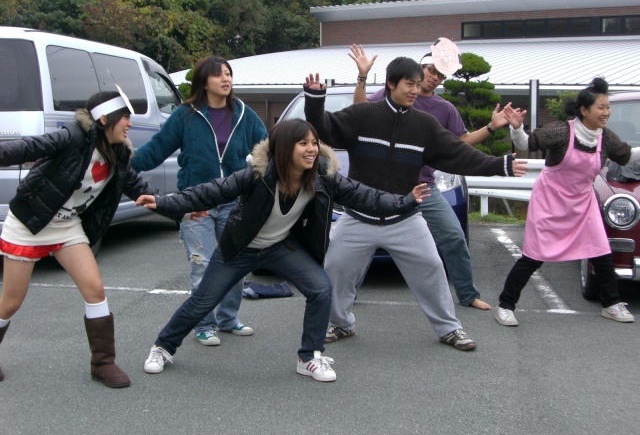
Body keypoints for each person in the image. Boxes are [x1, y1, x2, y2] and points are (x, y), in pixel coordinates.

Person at [135, 119, 429, 382]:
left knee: (320, 288)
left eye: (314, 143)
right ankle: (163, 347)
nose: (311, 149)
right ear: (286, 147)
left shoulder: (323, 175)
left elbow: (363, 196)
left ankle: (309, 357)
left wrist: (404, 201)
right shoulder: (257, 174)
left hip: (279, 246)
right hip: (240, 248)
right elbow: (211, 191)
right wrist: (163, 202)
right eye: (303, 143)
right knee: (203, 301)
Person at [303, 57, 527, 350]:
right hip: (358, 216)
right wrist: (314, 99)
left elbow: (457, 153)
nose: (415, 90)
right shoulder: (363, 114)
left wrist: (500, 165)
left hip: (405, 217)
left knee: (432, 267)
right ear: (391, 83)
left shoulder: (425, 124)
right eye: (409, 84)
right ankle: (340, 323)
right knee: (335, 267)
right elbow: (323, 129)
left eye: (418, 85)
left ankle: (450, 329)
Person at [0, 89, 160, 387]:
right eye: (125, 117)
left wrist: (180, 208)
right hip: (30, 223)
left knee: (95, 289)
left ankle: (103, 363)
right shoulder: (73, 137)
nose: (129, 124)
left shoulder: (119, 152)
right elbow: (29, 147)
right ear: (104, 118)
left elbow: (139, 188)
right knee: (10, 302)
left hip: (67, 225)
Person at [350, 41, 521, 310]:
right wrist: (362, 76)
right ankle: (347, 294)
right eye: (431, 70)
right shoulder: (393, 95)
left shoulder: (445, 109)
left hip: (424, 187)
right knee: (364, 241)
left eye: (440, 75)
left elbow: (460, 143)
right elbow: (359, 112)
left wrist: (491, 126)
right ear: (419, 68)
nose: (434, 77)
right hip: (385, 185)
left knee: (453, 236)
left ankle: (468, 294)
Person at [131, 56, 267, 346]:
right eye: (219, 75)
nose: (226, 79)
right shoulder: (186, 115)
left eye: (228, 74)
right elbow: (156, 149)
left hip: (234, 201)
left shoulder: (244, 113)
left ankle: (228, 319)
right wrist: (122, 163)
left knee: (235, 262)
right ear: (204, 82)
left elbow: (266, 147)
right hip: (196, 203)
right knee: (202, 265)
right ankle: (204, 324)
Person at [495, 77, 638, 326]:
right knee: (534, 256)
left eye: (607, 107)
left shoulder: (605, 137)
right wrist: (517, 128)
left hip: (583, 201)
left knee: (601, 252)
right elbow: (528, 143)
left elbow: (625, 156)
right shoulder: (562, 131)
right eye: (601, 107)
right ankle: (505, 306)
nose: (606, 112)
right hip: (549, 201)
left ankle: (611, 304)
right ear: (584, 110)